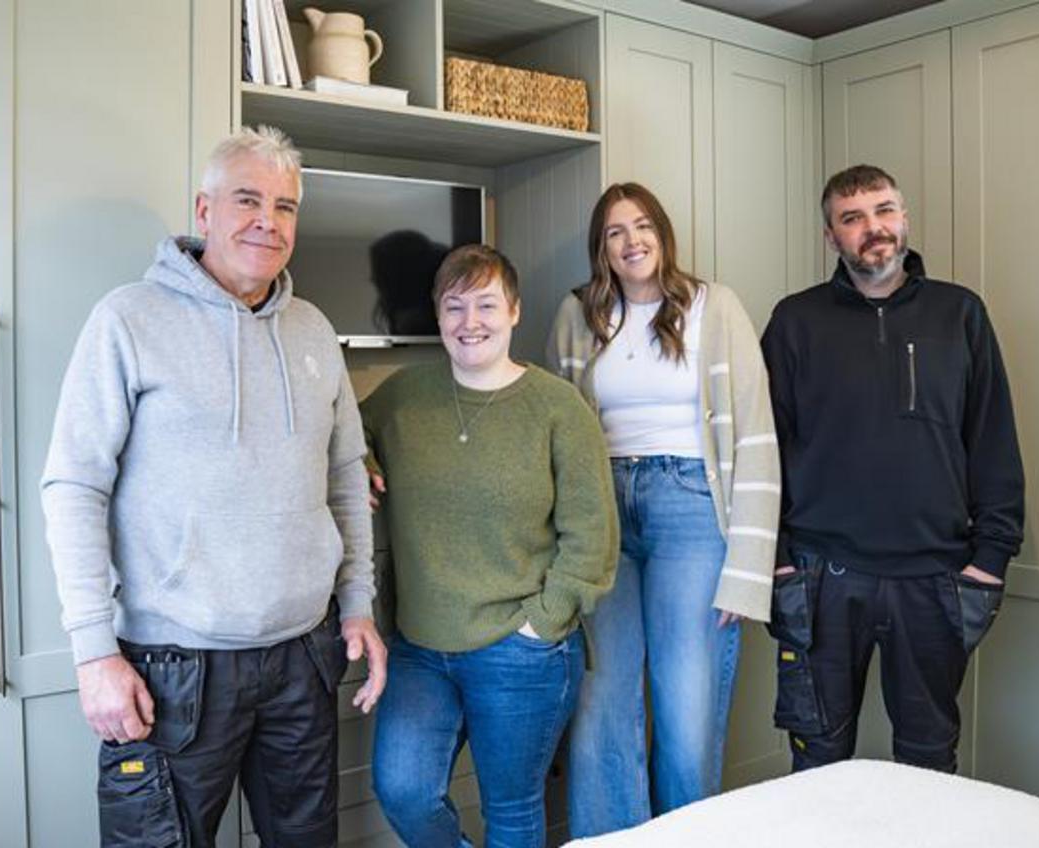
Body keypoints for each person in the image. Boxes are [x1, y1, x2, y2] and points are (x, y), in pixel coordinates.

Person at [40, 124, 387, 848]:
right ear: (204, 211)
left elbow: (346, 476)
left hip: (303, 656)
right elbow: (74, 485)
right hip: (173, 668)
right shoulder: (128, 319)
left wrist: (356, 603)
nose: (268, 221)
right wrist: (94, 653)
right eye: (247, 200)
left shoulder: (314, 331)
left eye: (285, 206)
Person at [760, 164, 1024, 773]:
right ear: (831, 236)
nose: (872, 228)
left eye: (883, 211)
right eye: (852, 218)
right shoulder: (795, 321)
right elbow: (764, 448)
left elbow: (993, 441)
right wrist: (777, 556)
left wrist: (990, 561)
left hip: (935, 577)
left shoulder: (960, 314)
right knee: (817, 764)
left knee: (928, 764)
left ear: (904, 218)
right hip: (821, 577)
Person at [362, 244, 618, 848]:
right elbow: (346, 430)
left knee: (511, 810)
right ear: (437, 315)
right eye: (454, 307)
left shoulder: (558, 407)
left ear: (514, 311)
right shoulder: (403, 395)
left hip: (519, 647)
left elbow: (592, 535)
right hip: (421, 649)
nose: (469, 321)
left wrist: (542, 623)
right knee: (404, 790)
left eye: (485, 304)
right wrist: (359, 460)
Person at [551, 183, 781, 837]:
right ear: (601, 248)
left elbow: (756, 436)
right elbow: (557, 436)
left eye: (643, 226)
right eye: (615, 231)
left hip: (691, 510)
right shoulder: (577, 315)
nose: (632, 241)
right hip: (603, 514)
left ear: (663, 234)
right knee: (600, 704)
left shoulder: (715, 307)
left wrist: (747, 570)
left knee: (686, 708)